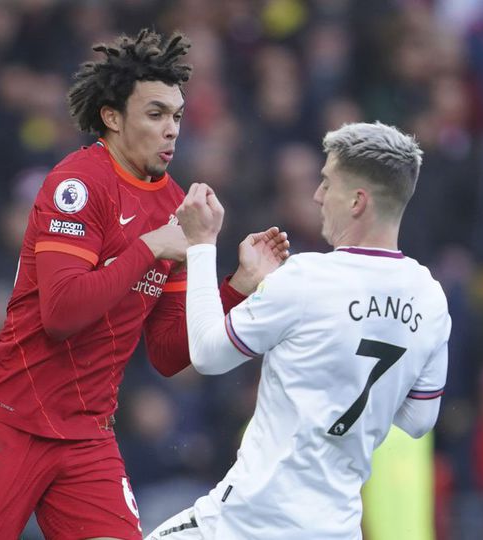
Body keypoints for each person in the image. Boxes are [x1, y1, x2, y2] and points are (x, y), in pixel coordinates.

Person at [0, 29, 290, 540]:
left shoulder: (176, 208)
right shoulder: (78, 185)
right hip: (8, 417)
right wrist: (151, 247)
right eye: (155, 115)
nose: (172, 130)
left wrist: (237, 284)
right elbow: (61, 315)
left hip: (86, 434)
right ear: (112, 117)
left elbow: (171, 354)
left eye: (176, 116)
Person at [147, 121, 451, 540]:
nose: (318, 196)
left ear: (358, 201)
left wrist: (201, 245)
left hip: (247, 523)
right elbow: (419, 420)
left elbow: (206, 354)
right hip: (337, 529)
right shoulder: (431, 299)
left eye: (327, 183)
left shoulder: (307, 277)